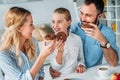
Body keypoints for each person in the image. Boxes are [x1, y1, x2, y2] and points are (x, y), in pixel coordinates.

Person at [0, 6, 55, 80]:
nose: (34, 27)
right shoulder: (3, 52)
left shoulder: (33, 41)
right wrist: (42, 57)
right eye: (31, 24)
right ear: (18, 28)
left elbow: (40, 71)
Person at [70, 0, 119, 68]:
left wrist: (102, 40)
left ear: (99, 16)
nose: (83, 18)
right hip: (72, 72)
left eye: (88, 15)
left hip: (92, 74)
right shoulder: (72, 29)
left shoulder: (107, 32)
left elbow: (113, 63)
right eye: (81, 13)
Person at [49, 7, 85, 78]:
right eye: (53, 22)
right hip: (60, 77)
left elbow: (81, 58)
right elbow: (55, 68)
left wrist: (81, 65)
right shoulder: (51, 42)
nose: (55, 25)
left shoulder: (77, 39)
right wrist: (60, 52)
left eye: (59, 22)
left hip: (76, 76)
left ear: (68, 22)